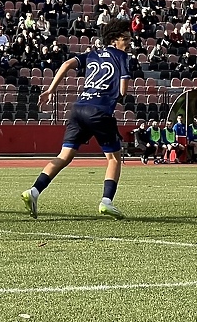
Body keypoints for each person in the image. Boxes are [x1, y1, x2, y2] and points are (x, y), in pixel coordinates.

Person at [21, 20, 132, 220]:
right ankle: (106, 202)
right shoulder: (122, 56)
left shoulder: (91, 54)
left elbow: (66, 64)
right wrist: (118, 95)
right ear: (114, 40)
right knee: (114, 158)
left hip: (78, 109)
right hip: (99, 111)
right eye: (126, 38)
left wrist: (50, 90)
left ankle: (34, 191)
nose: (129, 42)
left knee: (64, 156)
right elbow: (123, 91)